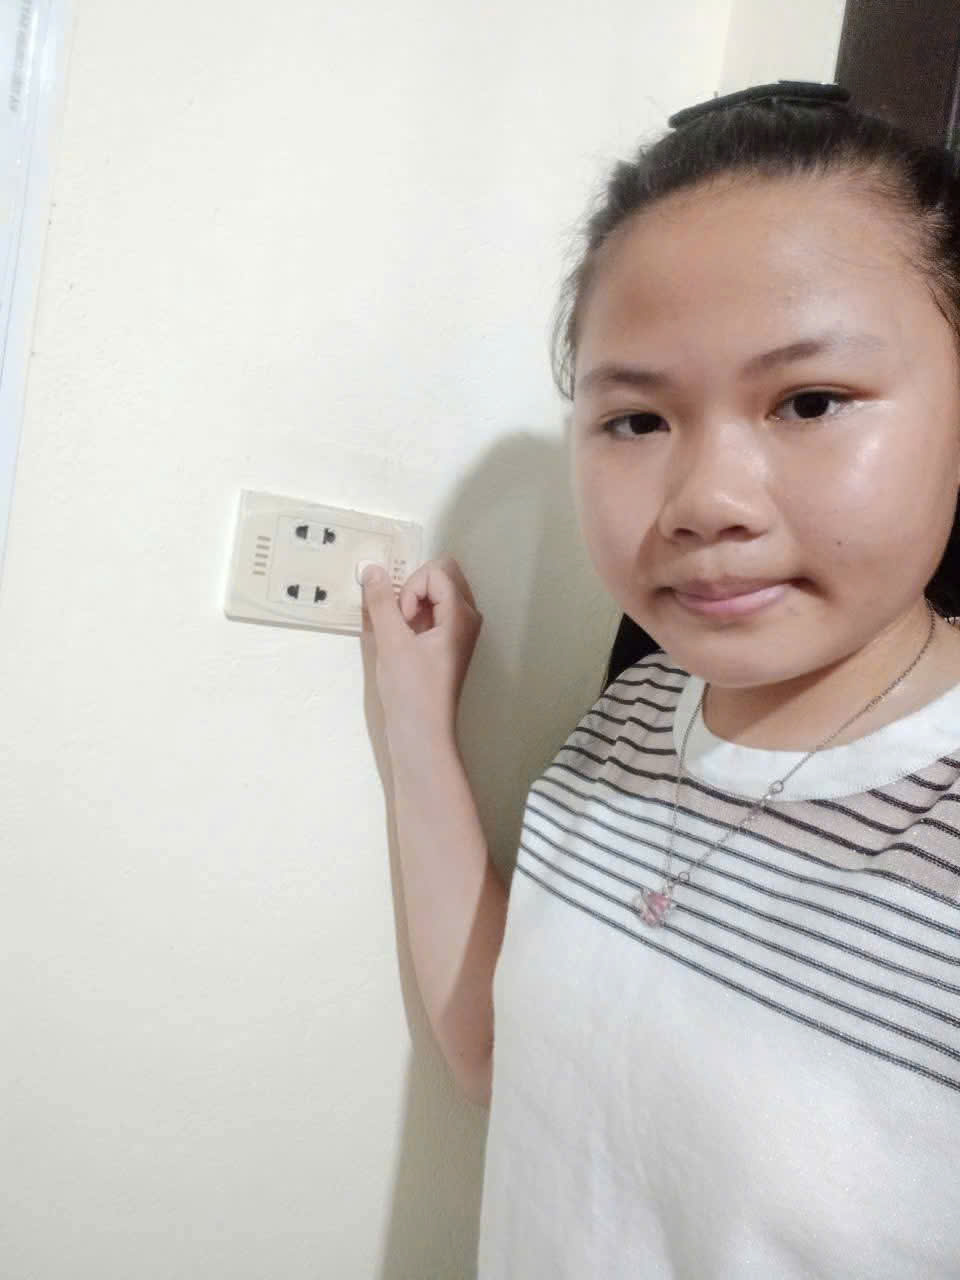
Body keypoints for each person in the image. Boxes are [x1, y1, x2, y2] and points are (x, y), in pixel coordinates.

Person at [360, 81, 960, 1278]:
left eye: (810, 401)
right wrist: (418, 722)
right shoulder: (633, 720)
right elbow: (495, 1052)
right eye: (637, 419)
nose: (708, 502)